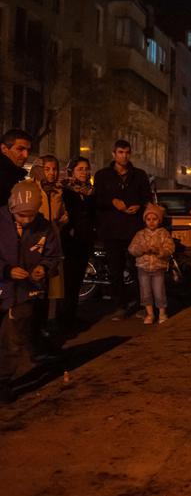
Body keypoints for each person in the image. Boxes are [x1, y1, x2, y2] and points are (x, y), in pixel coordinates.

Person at [0, 181, 63, 403]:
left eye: (31, 215)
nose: (26, 221)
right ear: (11, 208)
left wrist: (43, 268)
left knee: (13, 339)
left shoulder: (45, 227)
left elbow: (54, 256)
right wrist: (6, 270)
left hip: (26, 293)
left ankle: (3, 382)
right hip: (3, 287)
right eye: (21, 216)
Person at [93, 139, 152, 319]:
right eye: (120, 152)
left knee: (138, 267)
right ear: (113, 154)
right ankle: (120, 304)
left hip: (134, 229)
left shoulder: (139, 175)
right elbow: (97, 199)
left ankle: (143, 304)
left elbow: (147, 197)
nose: (124, 156)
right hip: (112, 230)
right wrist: (112, 202)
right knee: (115, 269)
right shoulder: (103, 175)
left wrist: (139, 206)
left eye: (127, 152)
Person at [28, 156, 68, 354]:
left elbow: (62, 215)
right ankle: (34, 330)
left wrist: (58, 225)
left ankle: (47, 324)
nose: (52, 173)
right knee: (37, 287)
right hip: (36, 243)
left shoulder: (58, 191)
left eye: (55, 169)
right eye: (48, 169)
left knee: (52, 286)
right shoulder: (32, 188)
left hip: (53, 242)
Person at [59, 157, 96, 334]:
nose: (84, 172)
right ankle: (64, 321)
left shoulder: (89, 192)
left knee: (77, 283)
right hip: (70, 242)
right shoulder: (66, 191)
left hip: (84, 241)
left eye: (86, 168)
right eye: (80, 169)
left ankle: (71, 316)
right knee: (67, 283)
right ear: (72, 171)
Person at [128, 203, 174, 325]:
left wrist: (159, 251)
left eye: (154, 219)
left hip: (158, 267)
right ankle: (149, 313)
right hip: (143, 267)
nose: (151, 222)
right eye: (148, 219)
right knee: (145, 291)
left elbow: (170, 248)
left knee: (159, 291)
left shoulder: (163, 233)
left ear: (159, 220)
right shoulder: (140, 234)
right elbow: (132, 249)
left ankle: (162, 313)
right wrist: (142, 249)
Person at [0, 129, 31, 204]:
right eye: (20, 149)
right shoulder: (3, 177)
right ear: (4, 148)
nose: (26, 155)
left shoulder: (13, 175)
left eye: (28, 150)